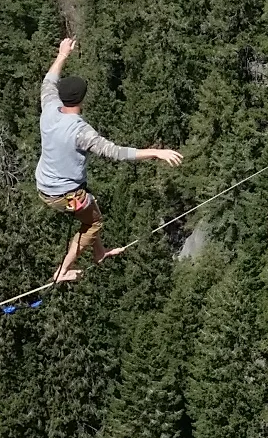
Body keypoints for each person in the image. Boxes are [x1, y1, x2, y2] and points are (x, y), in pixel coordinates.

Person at [37, 38, 181, 282]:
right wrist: (156, 152)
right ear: (82, 100)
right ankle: (62, 271)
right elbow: (117, 152)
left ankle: (99, 253)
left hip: (44, 186)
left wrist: (62, 55)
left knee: (91, 207)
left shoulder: (49, 106)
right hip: (65, 194)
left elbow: (48, 81)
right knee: (93, 224)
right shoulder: (80, 132)